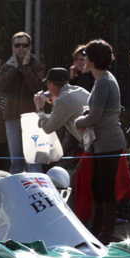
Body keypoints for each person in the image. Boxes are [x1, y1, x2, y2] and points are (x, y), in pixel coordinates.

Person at [74, 39, 126, 244]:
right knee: (97, 185)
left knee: (105, 186)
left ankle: (105, 232)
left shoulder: (104, 81)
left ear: (93, 60)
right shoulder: (102, 80)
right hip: (102, 143)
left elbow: (95, 117)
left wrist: (79, 120)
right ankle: (98, 229)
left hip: (109, 142)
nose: (82, 60)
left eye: (86, 57)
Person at [34, 67, 90, 209]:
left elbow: (47, 128)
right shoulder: (79, 90)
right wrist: (55, 102)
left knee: (74, 186)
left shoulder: (63, 101)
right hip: (96, 143)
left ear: (51, 85)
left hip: (92, 147)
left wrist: (40, 108)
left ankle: (78, 219)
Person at [0, 31, 46, 174]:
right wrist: (15, 68)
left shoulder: (37, 66)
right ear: (13, 48)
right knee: (16, 161)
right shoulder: (7, 66)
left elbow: (35, 87)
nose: (21, 49)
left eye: (24, 45)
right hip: (11, 118)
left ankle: (37, 190)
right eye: (17, 45)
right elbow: (0, 86)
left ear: (30, 47)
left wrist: (24, 68)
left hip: (31, 118)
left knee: (33, 161)